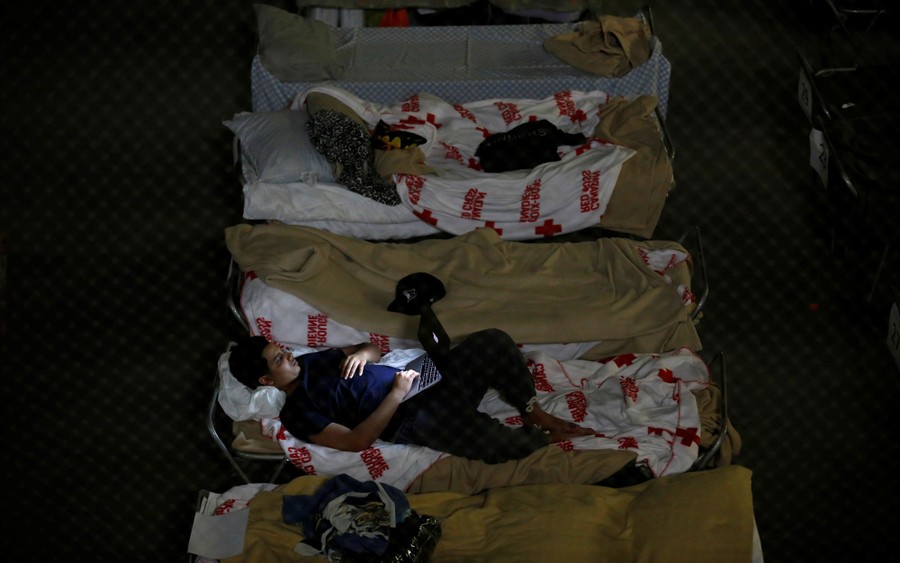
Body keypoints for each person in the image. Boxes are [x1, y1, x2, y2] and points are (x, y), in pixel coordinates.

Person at [228, 328, 594, 464]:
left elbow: (370, 348)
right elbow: (357, 441)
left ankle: (531, 410)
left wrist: (362, 355)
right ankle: (540, 440)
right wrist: (396, 394)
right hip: (410, 415)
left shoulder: (312, 361)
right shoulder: (297, 412)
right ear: (267, 380)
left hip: (425, 380)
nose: (289, 355)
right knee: (490, 442)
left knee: (492, 342)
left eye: (282, 349)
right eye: (279, 359)